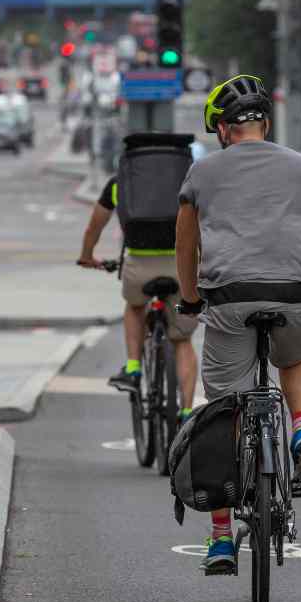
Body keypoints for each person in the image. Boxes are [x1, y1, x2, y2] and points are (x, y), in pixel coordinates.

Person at [175, 74, 301, 574]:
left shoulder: (201, 174)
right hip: (295, 295)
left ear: (223, 130)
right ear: (265, 124)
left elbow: (185, 246)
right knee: (295, 357)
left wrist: (189, 299)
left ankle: (223, 538)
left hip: (229, 298)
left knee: (225, 410)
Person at [77, 174, 200, 420]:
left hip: (139, 262)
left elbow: (95, 225)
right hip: (180, 263)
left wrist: (87, 256)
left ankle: (133, 369)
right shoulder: (187, 181)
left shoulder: (119, 183)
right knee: (182, 340)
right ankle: (187, 413)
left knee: (134, 307)